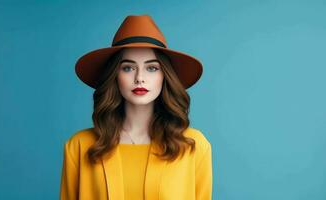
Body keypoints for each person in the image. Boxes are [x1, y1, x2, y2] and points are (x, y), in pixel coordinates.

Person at [60, 15, 212, 200]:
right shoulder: (80, 146)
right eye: (128, 68)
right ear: (114, 76)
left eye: (152, 68)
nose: (140, 77)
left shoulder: (193, 145)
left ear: (165, 76)